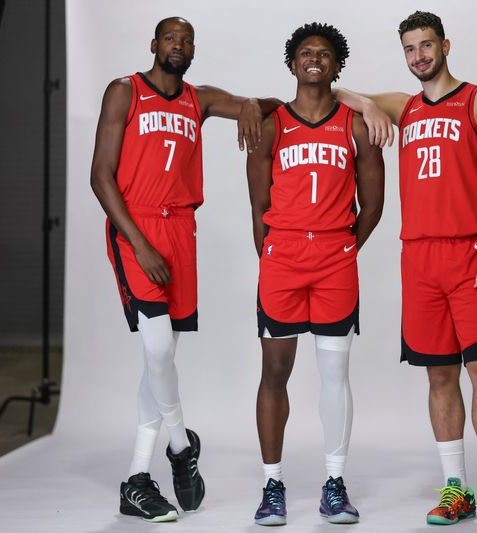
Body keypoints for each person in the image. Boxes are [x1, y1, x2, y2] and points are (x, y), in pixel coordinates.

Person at [335, 10, 477, 532]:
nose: (419, 56)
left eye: (426, 46)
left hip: (470, 254)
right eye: (409, 49)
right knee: (439, 375)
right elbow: (341, 92)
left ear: (445, 45)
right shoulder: (406, 106)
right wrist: (370, 106)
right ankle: (455, 490)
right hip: (418, 260)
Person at [90, 16, 280, 523]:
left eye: (187, 39)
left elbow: (267, 105)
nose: (178, 45)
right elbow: (99, 176)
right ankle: (180, 447)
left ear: (193, 49)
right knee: (156, 349)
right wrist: (139, 243)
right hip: (137, 228)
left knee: (161, 359)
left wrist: (250, 107)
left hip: (181, 231)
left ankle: (136, 478)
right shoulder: (125, 91)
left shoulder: (199, 98)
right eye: (170, 38)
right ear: (154, 44)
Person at [246, 23, 385, 526]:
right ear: (291, 64)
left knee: (334, 374)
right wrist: (275, 248)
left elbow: (373, 204)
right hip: (282, 260)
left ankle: (334, 483)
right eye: (305, 53)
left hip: (334, 262)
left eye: (324, 54)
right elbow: (258, 202)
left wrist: (343, 245)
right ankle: (272, 486)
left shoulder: (356, 125)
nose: (314, 60)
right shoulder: (269, 124)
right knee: (275, 373)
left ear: (336, 65)